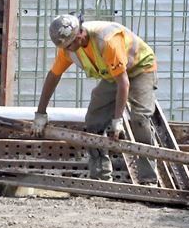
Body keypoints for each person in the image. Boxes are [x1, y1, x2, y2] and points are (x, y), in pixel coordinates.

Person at [32, 14, 159, 185]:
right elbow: (53, 77)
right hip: (113, 75)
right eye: (66, 47)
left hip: (139, 68)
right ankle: (100, 178)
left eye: (71, 45)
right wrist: (40, 113)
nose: (69, 50)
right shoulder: (67, 49)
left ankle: (148, 179)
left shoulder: (106, 41)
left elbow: (124, 83)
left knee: (140, 120)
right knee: (93, 122)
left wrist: (117, 120)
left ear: (80, 34)